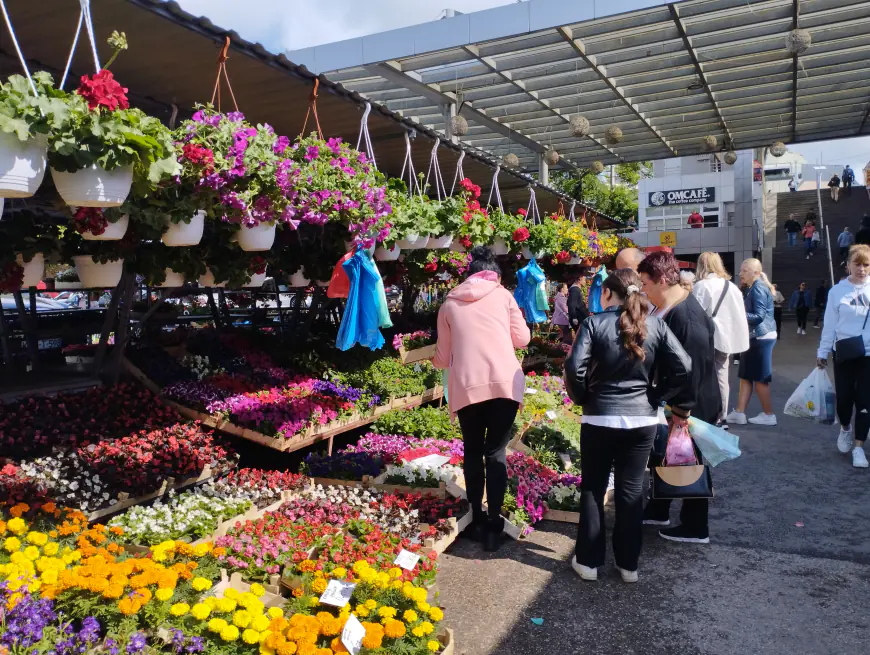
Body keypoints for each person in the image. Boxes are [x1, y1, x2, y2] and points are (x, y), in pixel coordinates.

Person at [564, 269, 692, 582]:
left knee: (594, 488)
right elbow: (685, 365)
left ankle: (589, 562)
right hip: (642, 420)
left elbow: (573, 366)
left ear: (607, 293)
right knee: (631, 491)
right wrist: (658, 397)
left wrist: (583, 397)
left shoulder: (594, 323)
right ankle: (628, 565)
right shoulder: (657, 324)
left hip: (599, 416)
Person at [432, 247, 531, 551]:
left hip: (467, 387)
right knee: (496, 452)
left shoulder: (449, 303)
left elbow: (442, 356)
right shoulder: (503, 296)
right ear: (493, 273)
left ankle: (475, 518)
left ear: (468, 273)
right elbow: (522, 339)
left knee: (472, 451)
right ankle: (495, 523)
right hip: (504, 386)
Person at [638, 252, 719, 544]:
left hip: (690, 403)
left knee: (689, 461)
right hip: (679, 400)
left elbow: (693, 367)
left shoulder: (686, 315)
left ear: (661, 280)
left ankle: (695, 526)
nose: (643, 289)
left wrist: (681, 411)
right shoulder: (672, 306)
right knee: (669, 456)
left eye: (646, 283)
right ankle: (659, 508)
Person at [817, 244, 870, 468]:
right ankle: (845, 427)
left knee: (865, 401)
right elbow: (829, 325)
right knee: (845, 399)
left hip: (868, 353)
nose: (862, 269)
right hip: (844, 352)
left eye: (866, 264)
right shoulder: (837, 291)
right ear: (848, 265)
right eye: (857, 264)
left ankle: (859, 447)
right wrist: (822, 351)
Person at [692, 252, 750, 427]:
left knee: (702, 377)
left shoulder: (702, 286)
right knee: (722, 377)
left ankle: (706, 412)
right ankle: (722, 415)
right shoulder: (731, 286)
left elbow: (695, 314)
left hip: (707, 338)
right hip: (726, 339)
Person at [726, 259, 778, 426]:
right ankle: (740, 412)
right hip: (757, 336)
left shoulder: (758, 288)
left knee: (759, 378)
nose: (740, 273)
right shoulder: (755, 287)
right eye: (741, 270)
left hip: (760, 337)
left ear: (755, 272)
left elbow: (759, 316)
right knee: (746, 375)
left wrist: (737, 314)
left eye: (744, 270)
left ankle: (769, 414)